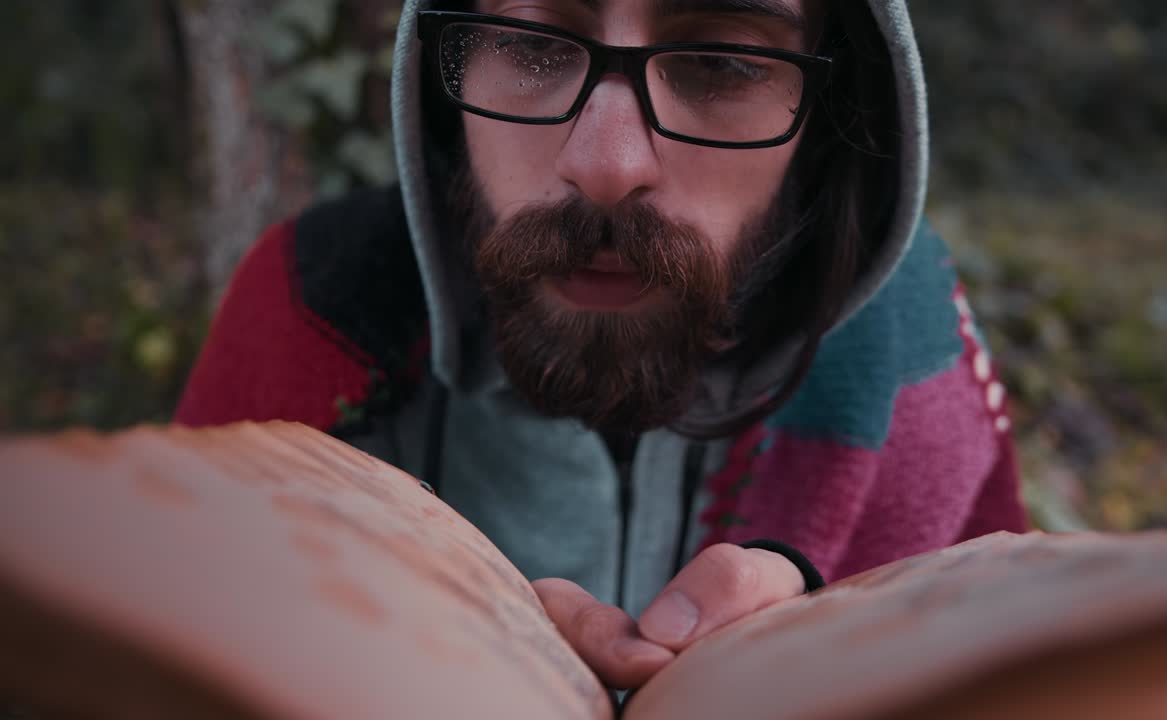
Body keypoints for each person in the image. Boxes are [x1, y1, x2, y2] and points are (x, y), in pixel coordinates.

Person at [177, 0, 1028, 689]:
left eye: (722, 60)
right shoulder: (314, 303)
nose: (607, 164)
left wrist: (846, 645)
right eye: (532, 43)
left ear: (832, 116)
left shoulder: (915, 350)